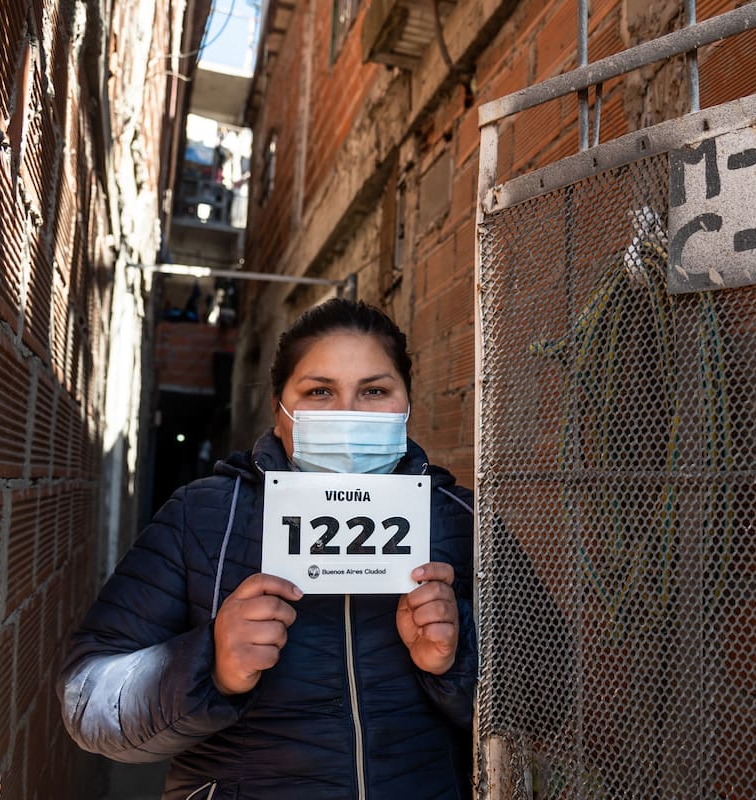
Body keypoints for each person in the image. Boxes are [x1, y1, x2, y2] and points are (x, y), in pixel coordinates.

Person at [57, 298, 476, 799]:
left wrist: (457, 658)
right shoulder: (202, 516)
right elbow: (87, 702)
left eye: (374, 390)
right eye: (319, 391)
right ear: (279, 409)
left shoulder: (462, 520)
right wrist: (211, 663)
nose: (346, 414)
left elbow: (551, 704)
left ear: (406, 405)